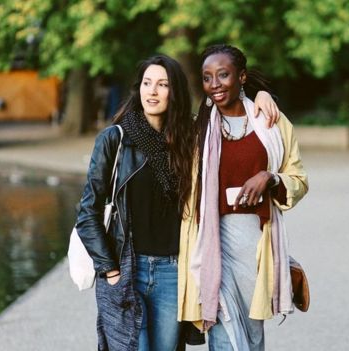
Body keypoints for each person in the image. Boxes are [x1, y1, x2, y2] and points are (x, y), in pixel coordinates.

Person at [74, 54, 279, 351]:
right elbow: (87, 212)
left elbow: (229, 101)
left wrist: (262, 94)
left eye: (162, 84)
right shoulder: (115, 139)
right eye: (147, 83)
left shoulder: (191, 138)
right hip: (128, 268)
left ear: (175, 92)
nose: (152, 91)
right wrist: (111, 271)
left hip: (174, 273)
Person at [177, 44, 309, 351]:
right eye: (207, 77)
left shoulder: (271, 123)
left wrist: (270, 177)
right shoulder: (198, 129)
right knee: (223, 335)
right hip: (213, 247)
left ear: (242, 77)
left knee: (251, 338)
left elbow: (299, 179)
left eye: (223, 75)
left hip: (258, 249)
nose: (214, 85)